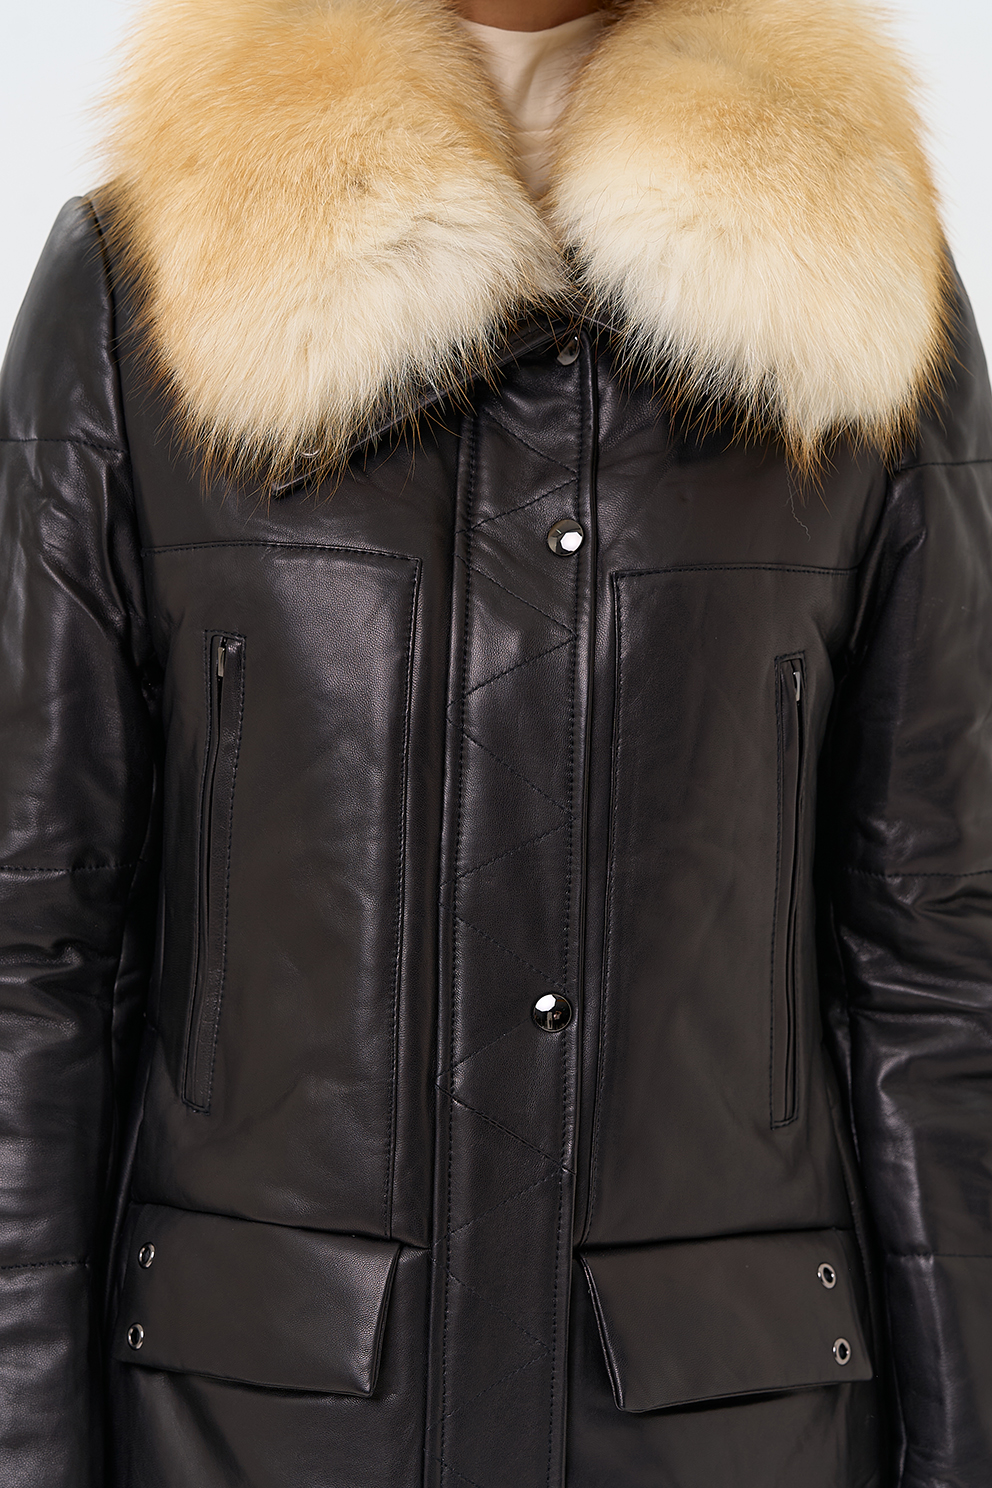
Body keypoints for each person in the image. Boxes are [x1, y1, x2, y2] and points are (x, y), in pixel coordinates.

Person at [0, 0, 990, 1482]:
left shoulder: (856, 292)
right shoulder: (145, 282)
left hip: (725, 1427)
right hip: (260, 1423)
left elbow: (937, 960)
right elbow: (34, 949)